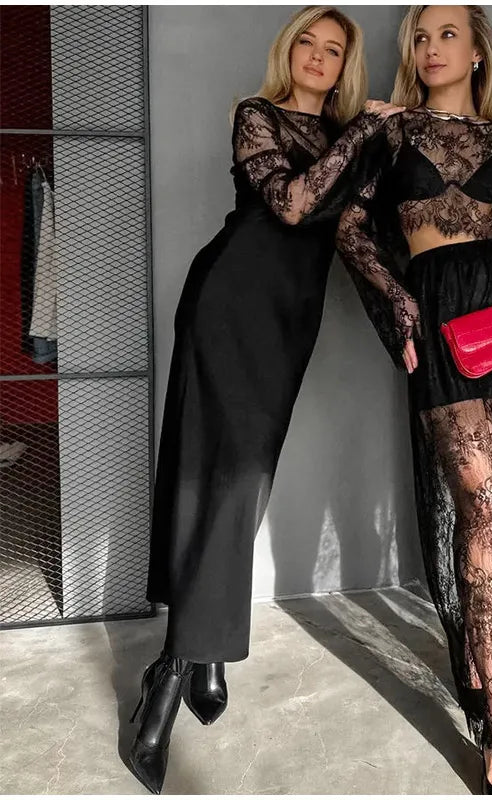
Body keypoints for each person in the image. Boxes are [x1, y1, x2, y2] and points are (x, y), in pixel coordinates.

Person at [129, 7, 403, 794]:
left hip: (288, 320)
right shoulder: (258, 116)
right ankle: (173, 673)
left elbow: (352, 231)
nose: (319, 58)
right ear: (290, 53)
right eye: (308, 45)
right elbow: (288, 204)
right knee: (212, 473)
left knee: (243, 481)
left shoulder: (354, 139)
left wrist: (406, 314)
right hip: (228, 301)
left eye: (334, 49)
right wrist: (362, 132)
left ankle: (207, 647)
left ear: (345, 62)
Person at [335, 5, 492, 794]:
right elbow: (350, 227)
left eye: (447, 32)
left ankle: (484, 671)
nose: (430, 45)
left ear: (478, 52)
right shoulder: (389, 135)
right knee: (480, 504)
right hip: (441, 309)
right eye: (420, 34)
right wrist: (397, 303)